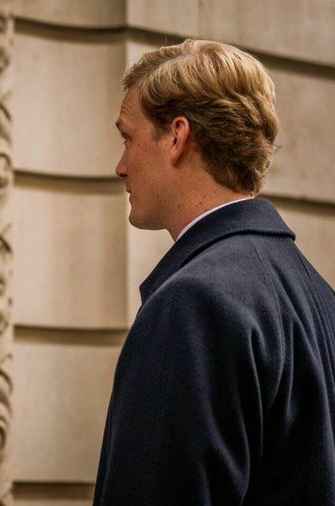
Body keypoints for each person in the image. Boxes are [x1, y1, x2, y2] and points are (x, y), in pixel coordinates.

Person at [94, 39, 335, 505]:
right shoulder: (320, 297)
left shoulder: (195, 302)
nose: (120, 166)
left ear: (178, 136)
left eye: (128, 138)